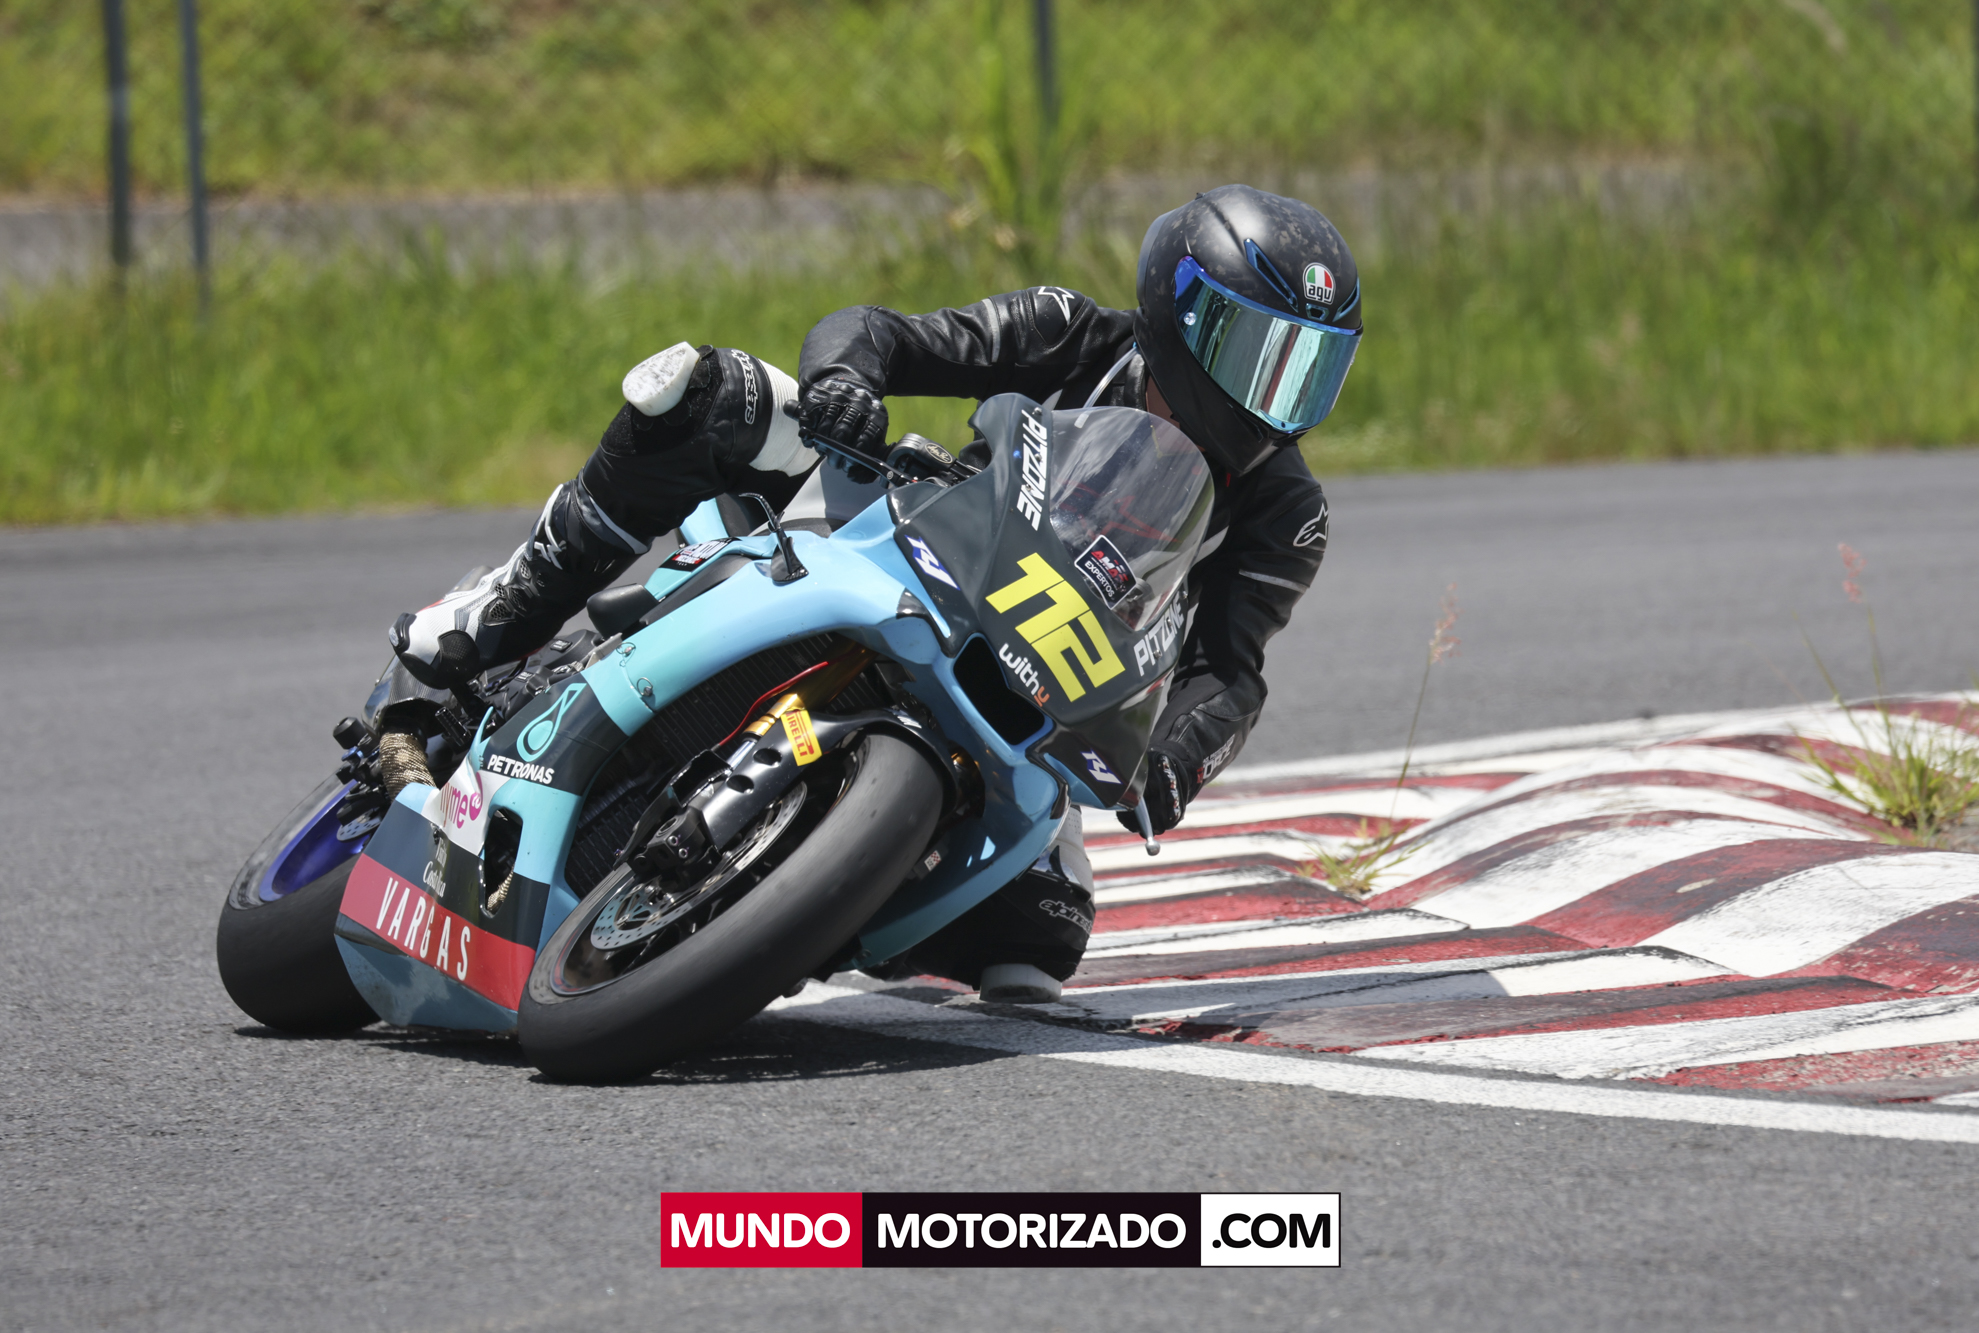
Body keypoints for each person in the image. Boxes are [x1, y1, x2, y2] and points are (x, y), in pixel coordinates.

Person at [391, 184, 1362, 1004]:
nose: (1271, 402)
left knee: (1036, 942)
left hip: (1030, 702)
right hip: (899, 547)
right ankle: (501, 610)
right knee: (714, 395)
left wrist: (1175, 759)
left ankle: (777, 906)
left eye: (1304, 373)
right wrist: (846, 381)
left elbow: (1228, 671)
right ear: (1178, 312)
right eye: (1256, 356)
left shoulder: (1286, 514)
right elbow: (878, 334)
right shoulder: (1070, 335)